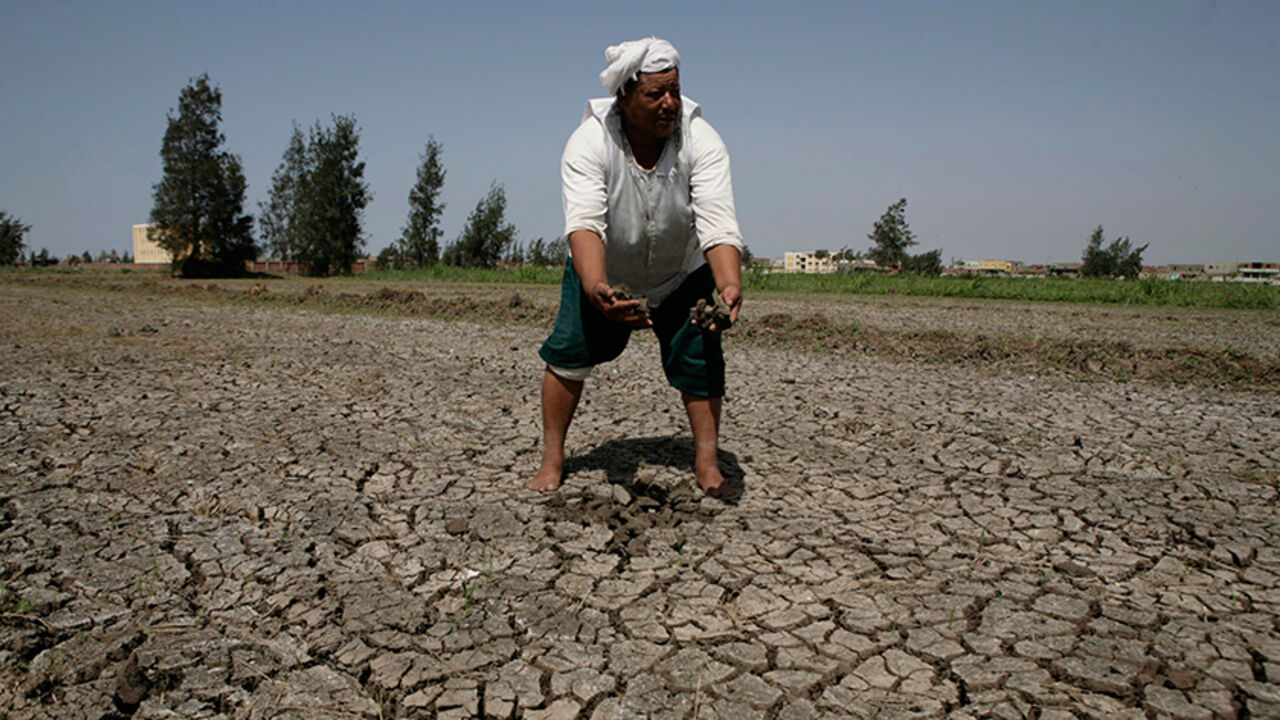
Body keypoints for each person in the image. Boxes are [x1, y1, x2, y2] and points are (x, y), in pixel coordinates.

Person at [529, 37, 745, 498]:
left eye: (674, 90)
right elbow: (584, 224)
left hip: (682, 272)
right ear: (624, 95)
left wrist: (728, 284)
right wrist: (596, 288)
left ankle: (707, 463)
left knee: (700, 360)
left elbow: (717, 221)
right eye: (655, 94)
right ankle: (553, 457)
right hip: (605, 273)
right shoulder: (589, 142)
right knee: (569, 356)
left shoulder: (700, 138)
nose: (669, 103)